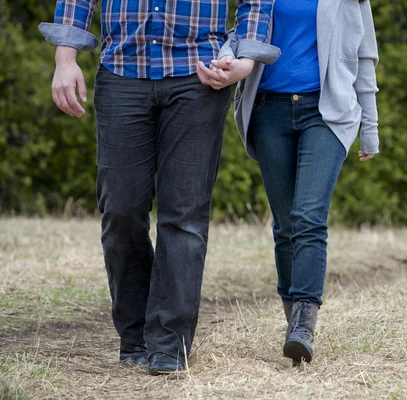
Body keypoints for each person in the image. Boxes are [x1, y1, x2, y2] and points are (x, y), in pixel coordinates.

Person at [39, 0, 279, 375]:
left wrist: (246, 60)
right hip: (121, 70)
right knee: (120, 209)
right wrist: (64, 58)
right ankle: (134, 335)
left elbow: (256, 3)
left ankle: (169, 342)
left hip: (199, 75)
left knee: (184, 215)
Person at [197, 0, 379, 364]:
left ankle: (303, 322)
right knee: (285, 225)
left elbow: (364, 55)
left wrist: (370, 128)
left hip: (325, 112)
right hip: (269, 111)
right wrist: (227, 57)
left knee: (308, 216)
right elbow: (241, 34)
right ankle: (292, 313)